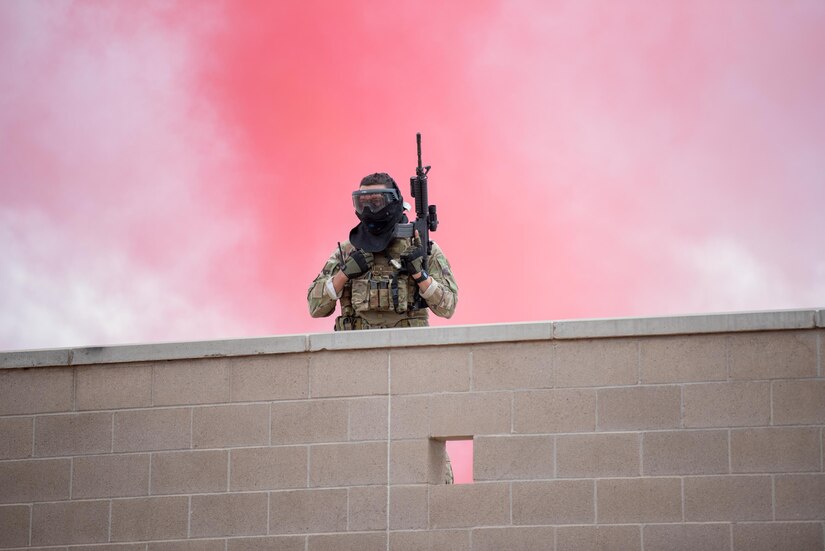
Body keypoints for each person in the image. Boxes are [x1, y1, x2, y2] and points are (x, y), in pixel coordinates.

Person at [307, 172, 458, 330]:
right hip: (357, 348)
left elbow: (448, 307)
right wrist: (343, 274)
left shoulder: (421, 249)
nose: (368, 210)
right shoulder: (348, 251)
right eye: (362, 203)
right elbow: (315, 307)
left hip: (407, 348)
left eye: (376, 202)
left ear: (391, 203)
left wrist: (420, 275)